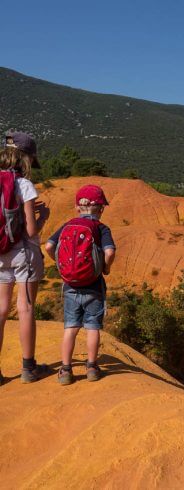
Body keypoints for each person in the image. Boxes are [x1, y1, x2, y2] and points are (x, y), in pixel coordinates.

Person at [45, 185, 115, 385]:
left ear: (77, 207)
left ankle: (66, 370)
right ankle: (92, 367)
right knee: (92, 327)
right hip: (93, 286)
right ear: (101, 209)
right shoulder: (101, 228)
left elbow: (49, 246)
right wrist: (105, 268)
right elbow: (110, 252)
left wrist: (60, 266)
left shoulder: (67, 225)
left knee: (71, 327)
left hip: (70, 286)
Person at [0, 131, 49, 385]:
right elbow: (31, 231)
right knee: (25, 307)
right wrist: (43, 217)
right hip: (23, 254)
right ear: (26, 159)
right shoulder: (24, 185)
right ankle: (29, 368)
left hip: (0, 254)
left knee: (0, 309)